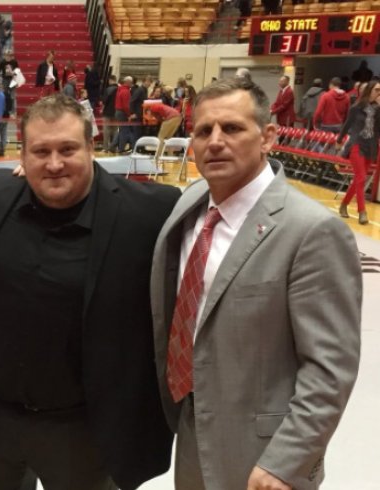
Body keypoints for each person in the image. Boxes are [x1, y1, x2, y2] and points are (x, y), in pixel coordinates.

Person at [151, 77, 361, 490]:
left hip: (265, 457)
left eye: (231, 128)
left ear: (267, 137)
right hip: (194, 433)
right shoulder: (189, 205)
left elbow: (330, 368)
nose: (214, 141)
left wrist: (288, 461)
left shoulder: (311, 231)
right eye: (203, 130)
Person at [0, 93, 178, 490]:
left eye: (67, 149)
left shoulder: (152, 212)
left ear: (91, 147)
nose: (53, 164)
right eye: (40, 151)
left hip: (85, 433)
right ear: (23, 155)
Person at [337, 79, 380, 225]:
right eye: (377, 90)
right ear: (369, 90)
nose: (379, 93)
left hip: (371, 147)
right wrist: (339, 140)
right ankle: (362, 211)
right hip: (356, 144)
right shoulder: (356, 107)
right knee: (361, 178)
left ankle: (344, 205)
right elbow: (347, 124)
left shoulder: (379, 109)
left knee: (358, 180)